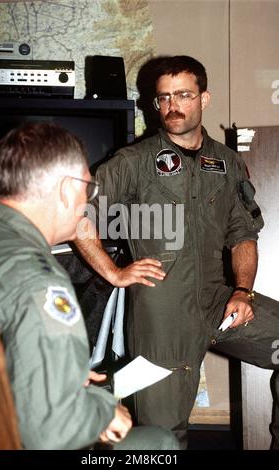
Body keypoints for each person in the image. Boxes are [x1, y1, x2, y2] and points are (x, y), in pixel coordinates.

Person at [74, 55, 279, 449]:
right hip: (162, 314)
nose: (172, 106)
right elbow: (78, 215)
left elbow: (244, 234)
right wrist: (115, 274)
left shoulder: (227, 162)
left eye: (183, 95)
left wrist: (243, 291)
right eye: (163, 98)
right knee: (163, 433)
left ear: (204, 99)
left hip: (218, 302)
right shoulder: (131, 162)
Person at [0, 121, 180, 450]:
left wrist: (38, 367)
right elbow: (51, 431)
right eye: (88, 190)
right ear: (65, 190)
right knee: (158, 444)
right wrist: (103, 412)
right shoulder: (39, 283)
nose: (88, 203)